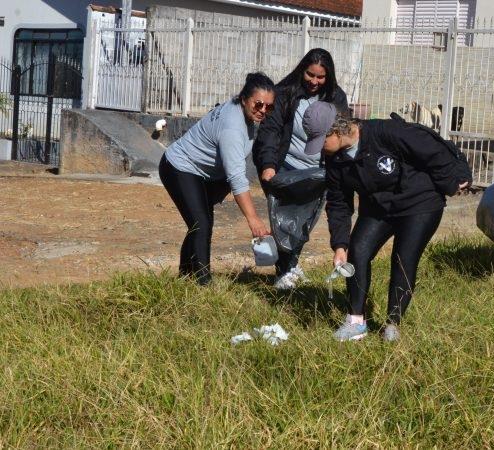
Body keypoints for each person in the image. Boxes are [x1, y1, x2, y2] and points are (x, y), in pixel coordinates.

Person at [301, 101, 471, 342]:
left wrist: (456, 178)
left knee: (403, 258)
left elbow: (434, 148)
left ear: (336, 131)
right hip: (379, 207)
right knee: (357, 251)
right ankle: (356, 322)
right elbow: (338, 202)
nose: (320, 149)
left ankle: (393, 324)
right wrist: (340, 244)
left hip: (419, 204)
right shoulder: (335, 159)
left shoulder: (386, 133)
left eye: (321, 141)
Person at [159, 72, 275, 285]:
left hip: (204, 174)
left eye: (269, 107)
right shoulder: (233, 126)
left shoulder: (245, 114)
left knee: (199, 223)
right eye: (258, 105)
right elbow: (237, 177)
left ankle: (186, 277)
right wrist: (253, 220)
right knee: (201, 223)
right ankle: (204, 284)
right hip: (180, 167)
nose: (263, 111)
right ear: (244, 99)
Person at [252, 48, 349, 290]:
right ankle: (284, 271)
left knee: (304, 222)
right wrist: (268, 165)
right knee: (285, 222)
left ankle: (291, 265)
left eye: (320, 77)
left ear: (329, 77)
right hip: (285, 168)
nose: (314, 82)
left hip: (318, 172)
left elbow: (342, 133)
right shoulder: (284, 93)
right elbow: (270, 133)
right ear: (301, 70)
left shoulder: (336, 98)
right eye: (310, 75)